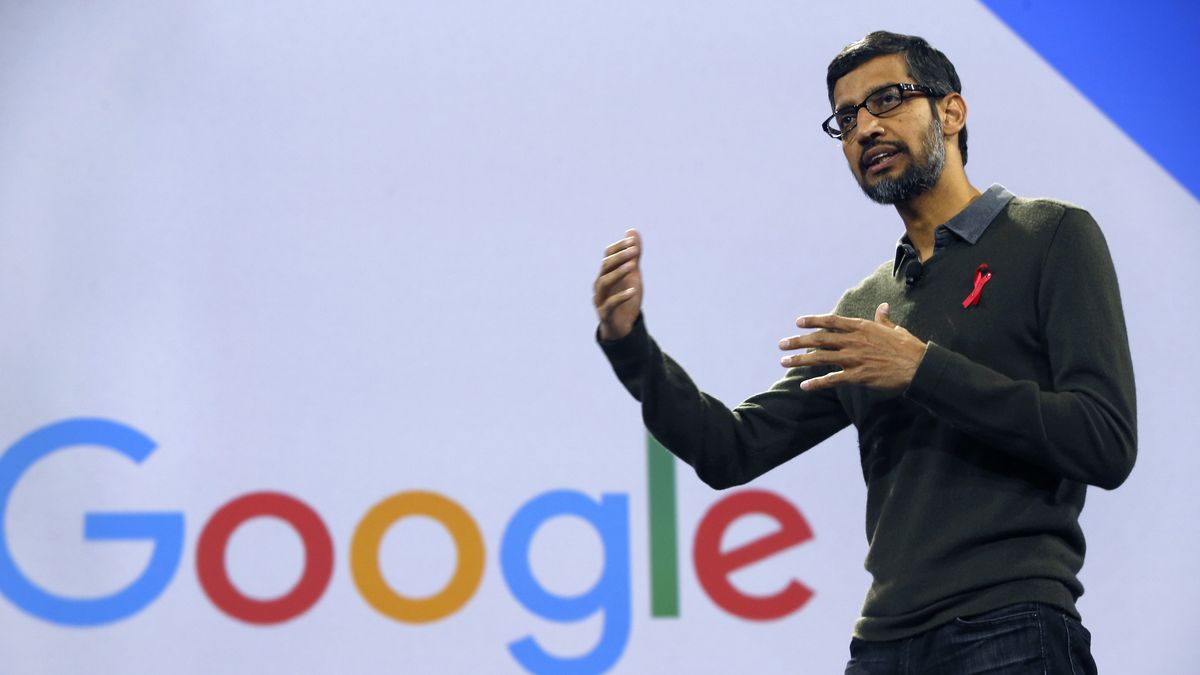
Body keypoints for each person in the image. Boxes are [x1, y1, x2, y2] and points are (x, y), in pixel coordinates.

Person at [592, 30, 1135, 674]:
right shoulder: (868, 305)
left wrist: (921, 369)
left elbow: (1104, 440)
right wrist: (630, 346)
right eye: (846, 118)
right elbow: (730, 449)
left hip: (1009, 627)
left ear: (952, 112)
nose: (864, 129)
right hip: (880, 647)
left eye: (886, 101)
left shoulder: (1050, 237)